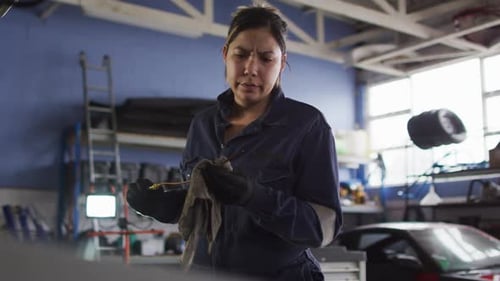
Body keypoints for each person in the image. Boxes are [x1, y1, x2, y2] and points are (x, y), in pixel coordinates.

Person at [127, 3, 342, 280]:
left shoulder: (306, 126)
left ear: (282, 63)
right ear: (226, 55)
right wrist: (163, 207)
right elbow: (198, 207)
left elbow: (322, 229)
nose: (251, 69)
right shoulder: (202, 124)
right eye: (241, 55)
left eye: (266, 59)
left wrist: (254, 197)